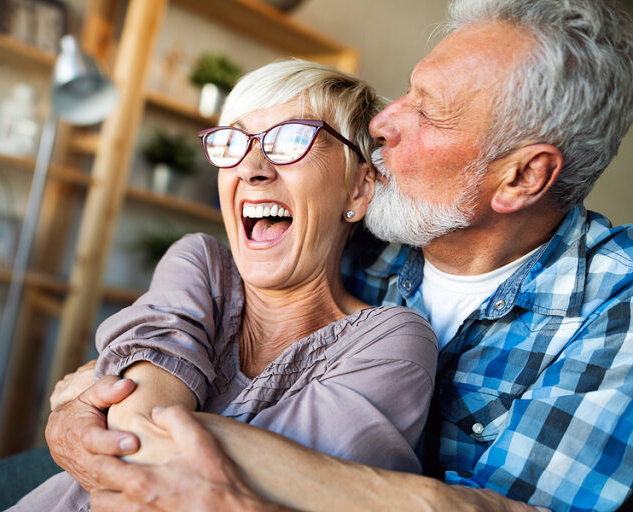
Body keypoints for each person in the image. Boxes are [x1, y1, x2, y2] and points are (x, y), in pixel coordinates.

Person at [45, 0, 633, 511]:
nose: (382, 121)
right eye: (406, 91)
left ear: (522, 177)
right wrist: (84, 411)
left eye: (428, 111)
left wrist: (122, 412)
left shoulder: (616, 307)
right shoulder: (361, 236)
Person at [8, 60, 438, 511]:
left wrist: (95, 396)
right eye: (233, 142)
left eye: (292, 139)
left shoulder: (393, 342)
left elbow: (298, 487)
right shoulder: (200, 264)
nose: (251, 168)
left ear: (359, 188)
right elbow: (143, 436)